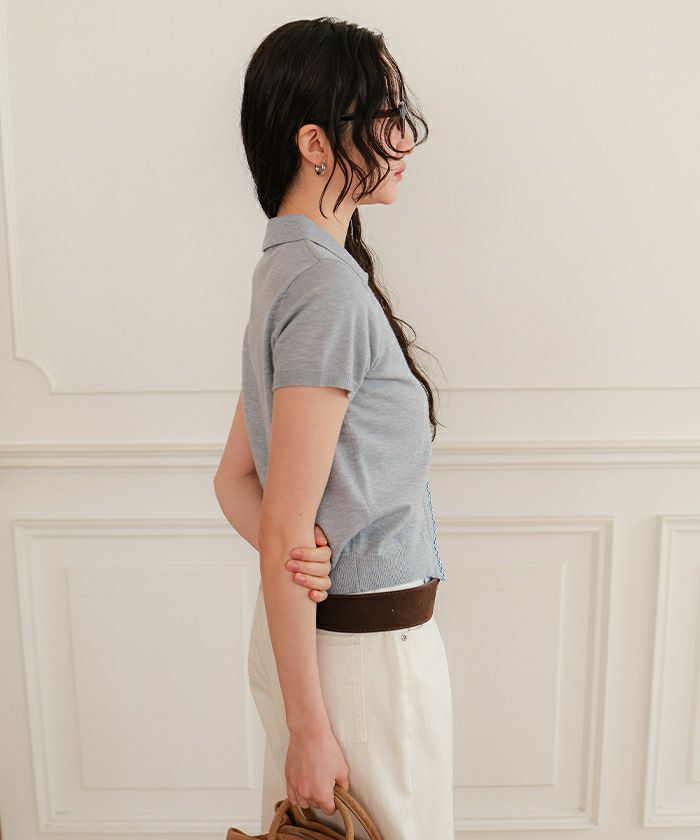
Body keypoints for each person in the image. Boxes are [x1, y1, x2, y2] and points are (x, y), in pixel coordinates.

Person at [214, 16, 453, 840]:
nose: (403, 139)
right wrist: (311, 728)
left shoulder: (289, 270)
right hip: (358, 666)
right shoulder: (325, 291)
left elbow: (235, 483)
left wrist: (298, 554)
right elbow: (280, 516)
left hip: (335, 656)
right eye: (384, 115)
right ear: (315, 144)